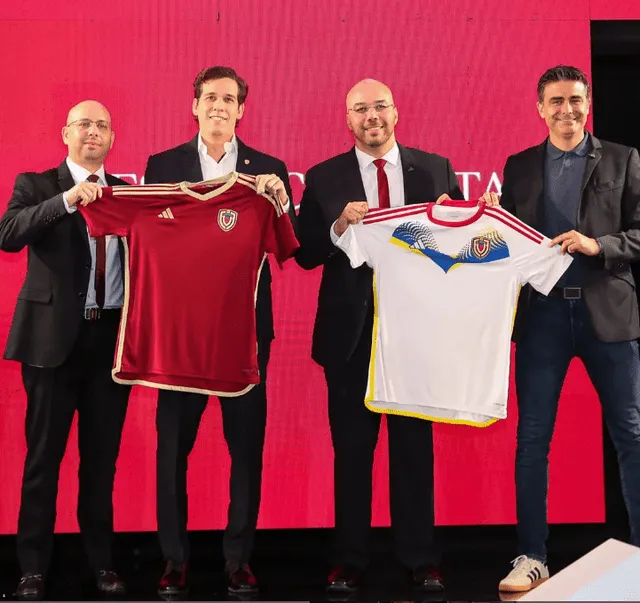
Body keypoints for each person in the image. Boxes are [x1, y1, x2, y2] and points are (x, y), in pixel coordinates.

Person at [295, 78, 498, 594]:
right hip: (349, 337)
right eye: (360, 109)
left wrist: (479, 220)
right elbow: (305, 251)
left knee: (412, 451)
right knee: (353, 453)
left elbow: (452, 248)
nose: (372, 117)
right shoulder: (323, 177)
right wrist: (340, 227)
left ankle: (421, 558)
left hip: (416, 335)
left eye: (379, 106)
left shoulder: (434, 168)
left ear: (396, 112)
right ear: (348, 120)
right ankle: (348, 559)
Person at [143, 66, 296, 597]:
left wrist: (280, 200)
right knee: (171, 449)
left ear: (241, 110)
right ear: (194, 105)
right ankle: (173, 561)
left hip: (245, 332)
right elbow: (153, 242)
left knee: (245, 447)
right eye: (210, 97)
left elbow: (286, 245)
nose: (219, 107)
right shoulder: (162, 166)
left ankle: (238, 560)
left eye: (229, 99)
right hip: (180, 332)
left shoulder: (269, 170)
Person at [498, 65, 640, 593]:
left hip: (610, 313)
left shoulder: (624, 159)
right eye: (556, 101)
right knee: (533, 439)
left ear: (588, 103)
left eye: (576, 100)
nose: (567, 110)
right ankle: (531, 556)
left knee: (631, 435)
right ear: (540, 108)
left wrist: (599, 245)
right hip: (543, 318)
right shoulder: (518, 167)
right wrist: (490, 221)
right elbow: (506, 244)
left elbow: (639, 233)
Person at [0, 100, 131, 600]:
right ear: (66, 134)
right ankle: (32, 568)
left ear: (113, 140)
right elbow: (9, 235)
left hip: (110, 345)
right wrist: (70, 199)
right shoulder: (37, 185)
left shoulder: (127, 194)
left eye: (102, 125)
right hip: (51, 343)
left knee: (101, 462)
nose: (93, 132)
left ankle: (102, 565)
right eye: (84, 124)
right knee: (43, 460)